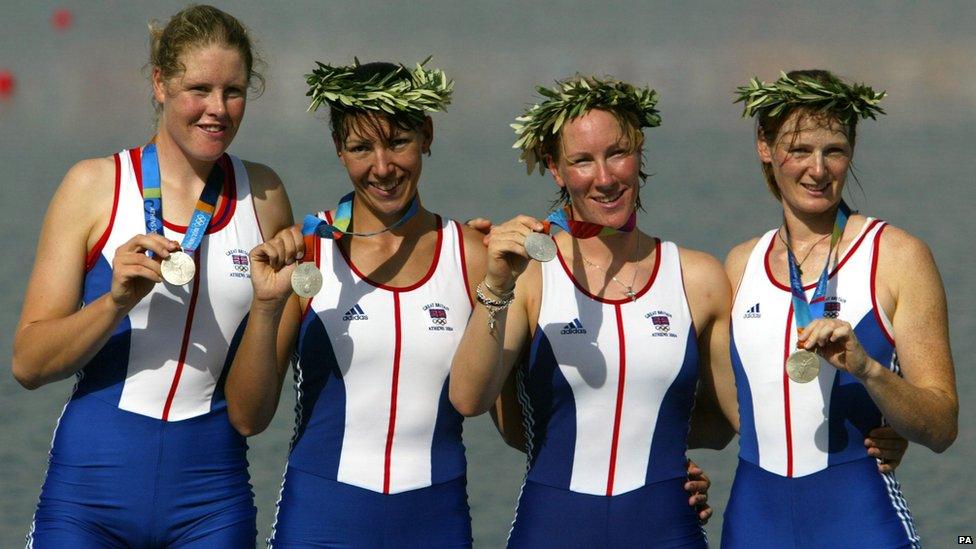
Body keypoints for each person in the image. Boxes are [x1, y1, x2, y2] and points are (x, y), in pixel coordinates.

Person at [12, 5, 292, 546]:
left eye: (233, 91)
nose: (217, 110)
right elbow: (28, 364)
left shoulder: (266, 195)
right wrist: (113, 302)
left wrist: (267, 308)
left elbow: (255, 416)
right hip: (87, 501)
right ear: (161, 83)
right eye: (200, 89)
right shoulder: (91, 186)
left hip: (211, 504)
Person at [449, 75, 733, 548]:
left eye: (617, 153)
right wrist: (497, 284)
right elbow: (469, 399)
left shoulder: (699, 279)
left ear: (639, 150)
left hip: (668, 529)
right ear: (555, 169)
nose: (605, 178)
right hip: (551, 529)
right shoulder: (529, 276)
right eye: (582, 160)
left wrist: (649, 447)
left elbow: (726, 423)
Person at [225, 58, 486, 548]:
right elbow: (247, 416)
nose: (382, 168)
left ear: (427, 134)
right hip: (322, 520)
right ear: (339, 151)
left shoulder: (472, 255)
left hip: (435, 523)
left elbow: (516, 423)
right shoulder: (307, 252)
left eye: (398, 142)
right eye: (361, 147)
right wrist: (264, 306)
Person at [721, 69, 958, 548]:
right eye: (800, 149)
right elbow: (715, 403)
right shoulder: (739, 264)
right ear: (764, 147)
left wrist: (871, 372)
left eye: (834, 150)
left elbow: (941, 427)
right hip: (752, 522)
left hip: (859, 520)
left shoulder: (898, 256)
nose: (818, 169)